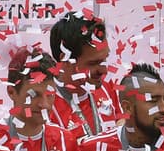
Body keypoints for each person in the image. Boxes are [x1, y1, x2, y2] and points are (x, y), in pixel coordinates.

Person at [47, 11, 121, 139]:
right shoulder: (43, 106)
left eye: (104, 60)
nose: (104, 71)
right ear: (66, 59)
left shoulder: (108, 88)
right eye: (94, 63)